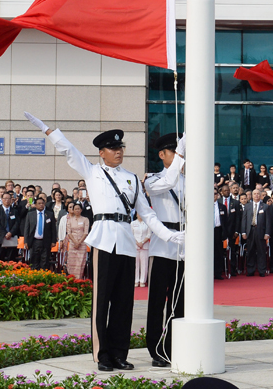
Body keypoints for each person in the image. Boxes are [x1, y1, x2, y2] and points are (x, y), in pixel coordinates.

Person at [23, 113, 184, 372]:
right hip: (104, 238)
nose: (118, 152)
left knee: (124, 302)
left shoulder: (131, 178)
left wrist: (168, 235)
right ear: (102, 153)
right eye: (113, 148)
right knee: (102, 301)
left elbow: (148, 213)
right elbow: (69, 151)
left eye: (120, 148)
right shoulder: (92, 171)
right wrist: (48, 130)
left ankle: (120, 353)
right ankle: (103, 355)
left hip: (126, 240)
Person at [143, 132, 188, 367]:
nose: (180, 156)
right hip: (162, 247)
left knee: (179, 304)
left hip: (185, 247)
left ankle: (174, 346)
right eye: (174, 151)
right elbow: (169, 181)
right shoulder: (153, 180)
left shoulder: (190, 180)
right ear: (162, 154)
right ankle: (155, 348)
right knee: (157, 302)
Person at [241, 189, 272, 277]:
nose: (256, 195)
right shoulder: (247, 206)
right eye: (254, 194)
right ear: (251, 195)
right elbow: (244, 220)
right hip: (250, 231)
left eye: (258, 194)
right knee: (250, 251)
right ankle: (250, 270)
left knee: (261, 251)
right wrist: (243, 232)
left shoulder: (265, 206)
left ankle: (262, 270)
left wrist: (267, 233)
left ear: (261, 195)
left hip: (261, 231)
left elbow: (268, 221)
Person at [22, 193, 56, 270]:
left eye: (42, 203)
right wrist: (26, 241)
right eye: (39, 203)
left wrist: (53, 241)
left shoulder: (49, 214)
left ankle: (44, 276)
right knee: (34, 260)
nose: (41, 205)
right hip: (34, 241)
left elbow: (53, 229)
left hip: (46, 241)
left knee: (45, 260)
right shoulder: (31, 214)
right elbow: (27, 229)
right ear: (36, 205)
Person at [64, 202, 89, 278]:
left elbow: (85, 232)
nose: (77, 210)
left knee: (80, 262)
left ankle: (79, 279)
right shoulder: (70, 220)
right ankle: (71, 279)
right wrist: (75, 242)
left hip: (82, 243)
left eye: (78, 209)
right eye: (75, 209)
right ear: (73, 210)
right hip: (72, 243)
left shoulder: (85, 219)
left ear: (81, 210)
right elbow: (69, 232)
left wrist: (79, 242)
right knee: (72, 262)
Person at [0, 192, 20, 261]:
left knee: (11, 259)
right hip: (0, 237)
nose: (7, 200)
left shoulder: (15, 211)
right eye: (5, 198)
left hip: (11, 237)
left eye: (9, 198)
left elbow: (17, 223)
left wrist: (10, 233)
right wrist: (5, 234)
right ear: (2, 199)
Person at [132, 215, 150, 287]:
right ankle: (136, 280)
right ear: (136, 214)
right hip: (135, 246)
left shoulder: (147, 223)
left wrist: (142, 242)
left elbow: (149, 235)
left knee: (144, 264)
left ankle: (142, 281)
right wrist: (137, 243)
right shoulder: (133, 223)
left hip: (144, 246)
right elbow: (131, 234)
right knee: (135, 265)